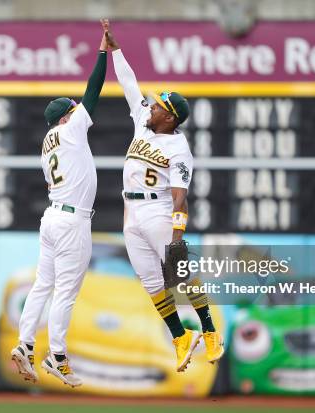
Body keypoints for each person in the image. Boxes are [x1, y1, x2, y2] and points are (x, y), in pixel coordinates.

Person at [102, 19, 224, 372]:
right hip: (131, 214)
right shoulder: (143, 121)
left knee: (180, 274)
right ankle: (180, 337)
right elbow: (128, 84)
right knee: (152, 283)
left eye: (158, 106)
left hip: (157, 211)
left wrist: (176, 238)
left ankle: (211, 330)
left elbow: (180, 197)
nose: (150, 106)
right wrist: (116, 49)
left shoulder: (179, 148)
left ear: (170, 118)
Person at [10, 24, 108, 388]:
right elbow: (93, 92)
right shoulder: (70, 130)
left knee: (41, 286)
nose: (79, 110)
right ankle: (58, 356)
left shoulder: (47, 142)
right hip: (71, 222)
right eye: (74, 109)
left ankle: (25, 343)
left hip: (51, 219)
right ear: (67, 116)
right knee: (65, 292)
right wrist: (102, 54)